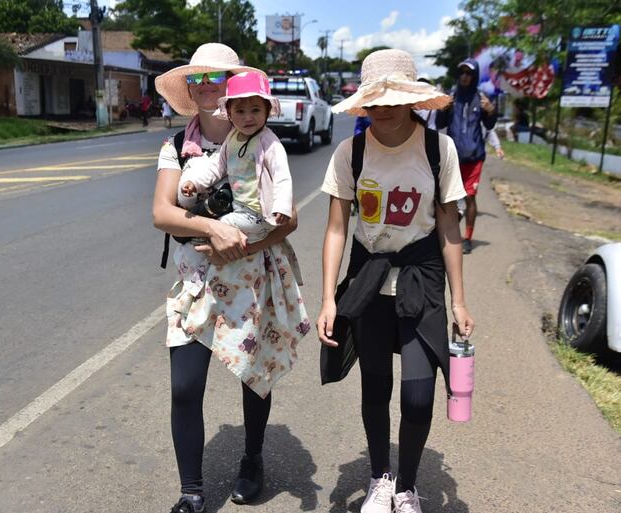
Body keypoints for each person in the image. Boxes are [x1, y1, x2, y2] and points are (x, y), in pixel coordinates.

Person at [153, 43, 309, 513]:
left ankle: (253, 459)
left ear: (236, 85)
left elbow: (291, 218)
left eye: (215, 77)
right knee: (184, 385)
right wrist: (211, 227)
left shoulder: (263, 141)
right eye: (196, 79)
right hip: (197, 279)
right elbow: (162, 213)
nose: (205, 86)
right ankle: (192, 492)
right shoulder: (178, 147)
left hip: (252, 275)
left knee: (254, 377)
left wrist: (247, 243)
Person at [317, 49, 475, 513]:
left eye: (394, 95)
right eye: (375, 97)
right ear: (364, 101)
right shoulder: (352, 151)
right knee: (376, 386)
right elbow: (336, 229)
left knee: (419, 394)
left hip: (422, 278)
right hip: (370, 278)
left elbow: (448, 226)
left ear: (412, 98)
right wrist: (329, 298)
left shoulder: (437, 148)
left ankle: (406, 486)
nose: (383, 107)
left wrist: (460, 301)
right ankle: (380, 478)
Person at [179, 71, 293, 246]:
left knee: (221, 227)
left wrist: (282, 206)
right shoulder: (232, 138)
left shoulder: (268, 141)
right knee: (220, 230)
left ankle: (222, 250)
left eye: (255, 110)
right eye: (240, 111)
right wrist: (194, 183)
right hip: (240, 210)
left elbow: (282, 175)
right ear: (229, 114)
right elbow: (217, 167)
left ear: (267, 111)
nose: (248, 117)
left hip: (258, 214)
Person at [435, 58, 497, 254]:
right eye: (462, 72)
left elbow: (489, 126)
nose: (464, 76)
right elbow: (440, 123)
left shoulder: (482, 99)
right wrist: (443, 109)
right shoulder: (451, 97)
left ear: (475, 76)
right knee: (449, 198)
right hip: (453, 156)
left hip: (474, 157)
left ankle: (467, 238)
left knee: (470, 197)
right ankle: (447, 233)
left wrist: (491, 111)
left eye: (469, 73)